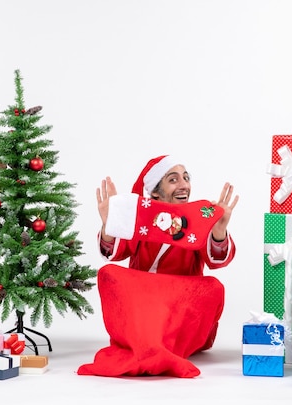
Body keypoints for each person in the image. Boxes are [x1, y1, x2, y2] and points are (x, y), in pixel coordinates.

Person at [77, 154, 239, 378]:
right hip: (143, 305)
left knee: (214, 287)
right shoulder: (141, 217)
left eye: (186, 177)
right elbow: (114, 252)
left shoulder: (199, 216)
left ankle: (159, 345)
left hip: (179, 310)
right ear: (155, 191)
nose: (184, 185)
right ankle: (149, 345)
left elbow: (217, 260)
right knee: (109, 273)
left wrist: (218, 230)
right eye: (173, 180)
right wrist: (109, 224)